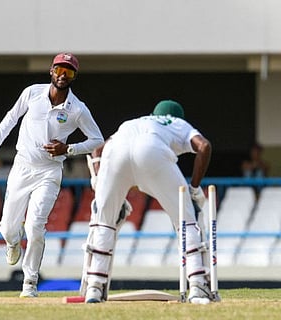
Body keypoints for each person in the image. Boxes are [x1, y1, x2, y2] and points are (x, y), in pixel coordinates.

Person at [0, 53, 104, 298]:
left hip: (50, 171)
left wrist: (68, 149)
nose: (62, 75)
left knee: (36, 225)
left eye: (68, 72)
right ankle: (12, 241)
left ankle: (30, 282)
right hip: (23, 166)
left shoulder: (77, 109)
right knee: (8, 227)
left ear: (74, 77)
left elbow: (97, 140)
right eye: (59, 70)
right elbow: (10, 118)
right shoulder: (32, 93)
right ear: (51, 71)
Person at [82, 100, 219, 303]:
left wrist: (97, 181)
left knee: (104, 222)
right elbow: (204, 147)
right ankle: (198, 286)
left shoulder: (134, 122)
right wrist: (194, 187)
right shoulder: (177, 124)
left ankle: (94, 287)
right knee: (188, 217)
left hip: (115, 152)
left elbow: (98, 149)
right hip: (151, 149)